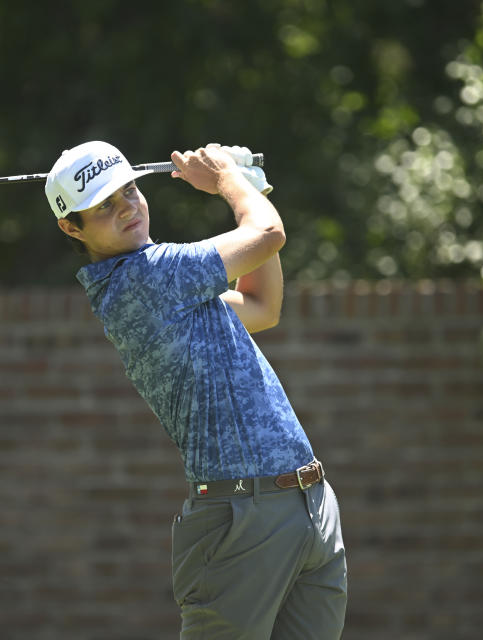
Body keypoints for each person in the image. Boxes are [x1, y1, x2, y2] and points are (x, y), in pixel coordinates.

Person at [44, 141, 347, 639]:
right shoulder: (142, 281)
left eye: (130, 190)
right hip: (240, 520)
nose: (127, 207)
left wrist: (247, 185)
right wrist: (228, 179)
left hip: (306, 505)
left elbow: (262, 305)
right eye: (103, 205)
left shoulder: (171, 284)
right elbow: (268, 233)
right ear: (71, 227)